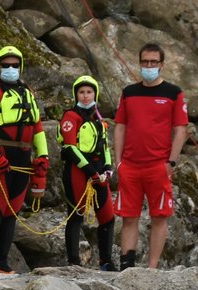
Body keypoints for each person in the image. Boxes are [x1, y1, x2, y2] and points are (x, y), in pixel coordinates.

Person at [0, 45, 49, 274]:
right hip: (1, 154)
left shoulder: (26, 91)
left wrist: (43, 155)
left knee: (12, 211)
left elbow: (37, 127)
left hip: (23, 156)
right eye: (6, 65)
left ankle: (2, 262)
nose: (11, 69)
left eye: (15, 65)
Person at [112, 43, 188, 270]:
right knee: (129, 216)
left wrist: (171, 162)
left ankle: (152, 267)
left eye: (154, 62)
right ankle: (127, 266)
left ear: (161, 65)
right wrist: (118, 162)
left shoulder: (174, 93)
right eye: (145, 61)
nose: (149, 66)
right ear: (140, 62)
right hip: (131, 165)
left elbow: (181, 129)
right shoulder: (129, 92)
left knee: (159, 216)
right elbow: (120, 126)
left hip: (158, 165)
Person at [60, 74, 116, 270]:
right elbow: (70, 147)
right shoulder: (70, 116)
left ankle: (106, 261)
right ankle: (73, 262)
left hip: (99, 171)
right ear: (76, 95)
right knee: (76, 215)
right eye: (81, 92)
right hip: (78, 170)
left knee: (108, 217)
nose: (85, 96)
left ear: (95, 94)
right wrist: (90, 171)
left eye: (89, 92)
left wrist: (108, 169)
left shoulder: (99, 119)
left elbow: (105, 148)